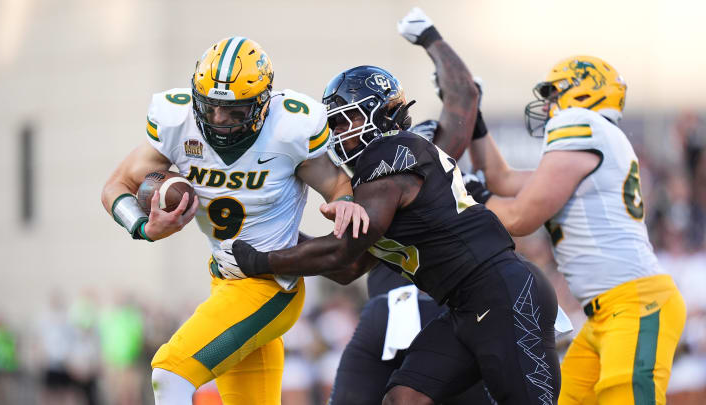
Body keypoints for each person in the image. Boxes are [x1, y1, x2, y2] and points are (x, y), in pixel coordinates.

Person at [213, 63, 562, 405]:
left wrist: (259, 260)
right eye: (332, 123)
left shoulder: (390, 154)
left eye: (344, 120)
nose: (336, 132)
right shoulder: (374, 178)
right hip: (463, 305)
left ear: (380, 114)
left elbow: (341, 251)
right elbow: (348, 269)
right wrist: (278, 234)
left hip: (503, 294)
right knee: (403, 397)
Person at [101, 37, 368, 405]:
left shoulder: (289, 128)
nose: (219, 120)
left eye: (235, 112)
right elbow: (117, 185)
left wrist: (345, 201)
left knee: (169, 370)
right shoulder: (178, 122)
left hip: (271, 287)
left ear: (262, 104)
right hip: (223, 281)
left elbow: (336, 183)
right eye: (210, 108)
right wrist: (143, 227)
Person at [464, 55, 687, 404]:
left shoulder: (582, 124)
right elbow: (501, 179)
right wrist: (474, 122)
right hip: (604, 313)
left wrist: (465, 198)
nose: (549, 105)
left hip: (635, 304)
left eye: (555, 94)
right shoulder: (595, 142)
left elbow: (521, 217)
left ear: (584, 95)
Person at [326, 8, 495, 405]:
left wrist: (269, 253)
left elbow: (345, 265)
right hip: (442, 310)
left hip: (392, 309)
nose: (341, 133)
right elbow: (464, 96)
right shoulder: (427, 158)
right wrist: (430, 37)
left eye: (347, 120)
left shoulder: (385, 164)